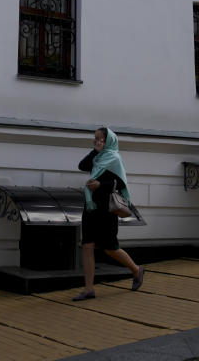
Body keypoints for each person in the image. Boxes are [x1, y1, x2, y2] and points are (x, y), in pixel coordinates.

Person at [72, 127, 144, 301]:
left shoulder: (115, 158)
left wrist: (100, 185)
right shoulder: (96, 157)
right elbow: (82, 166)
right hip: (91, 206)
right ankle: (89, 289)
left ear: (108, 141)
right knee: (87, 245)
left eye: (100, 139)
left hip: (107, 207)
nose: (96, 141)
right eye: (95, 138)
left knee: (110, 248)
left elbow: (120, 183)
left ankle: (136, 270)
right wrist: (94, 152)